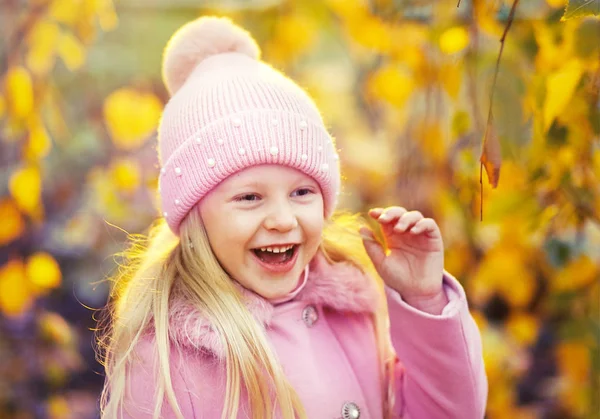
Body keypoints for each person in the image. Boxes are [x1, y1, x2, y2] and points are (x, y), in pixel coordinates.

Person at [96, 16, 488, 419]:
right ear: (195, 216)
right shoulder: (170, 356)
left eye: (302, 192)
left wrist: (423, 299)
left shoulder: (352, 307)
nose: (283, 219)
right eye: (249, 197)